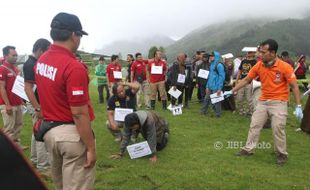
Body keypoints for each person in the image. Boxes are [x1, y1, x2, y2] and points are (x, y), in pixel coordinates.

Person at [34, 12, 96, 189]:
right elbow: (78, 113)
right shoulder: (73, 66)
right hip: (70, 135)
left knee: (60, 185)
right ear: (73, 35)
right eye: (79, 36)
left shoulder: (42, 60)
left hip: (50, 132)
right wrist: (91, 147)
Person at [229, 39, 302, 165]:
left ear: (273, 53)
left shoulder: (285, 67)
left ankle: (281, 154)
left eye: (263, 52)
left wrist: (299, 105)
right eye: (260, 52)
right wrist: (233, 90)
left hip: (279, 102)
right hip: (263, 101)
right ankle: (248, 149)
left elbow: (294, 86)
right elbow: (247, 79)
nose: (259, 55)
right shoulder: (259, 65)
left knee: (277, 128)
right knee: (254, 125)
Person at [23, 38, 51, 173]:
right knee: (41, 132)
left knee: (36, 132)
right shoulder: (31, 64)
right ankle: (43, 166)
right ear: (40, 50)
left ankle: (34, 160)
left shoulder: (33, 62)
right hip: (36, 104)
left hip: (35, 104)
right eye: (46, 51)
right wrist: (38, 107)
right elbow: (28, 88)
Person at [0, 46, 24, 149]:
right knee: (9, 128)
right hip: (8, 104)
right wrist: (7, 104)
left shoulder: (16, 69)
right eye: (13, 55)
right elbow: (1, 87)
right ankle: (7, 150)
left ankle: (16, 147)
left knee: (18, 125)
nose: (16, 57)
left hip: (18, 102)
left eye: (16, 55)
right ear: (5, 56)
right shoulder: (2, 69)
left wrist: (21, 100)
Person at [201, 51, 225, 117]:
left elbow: (222, 77)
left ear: (216, 57)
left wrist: (219, 88)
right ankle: (203, 112)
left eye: (212, 56)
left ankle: (218, 114)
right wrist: (207, 86)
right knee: (206, 99)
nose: (210, 57)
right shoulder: (211, 65)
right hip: (210, 86)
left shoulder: (219, 65)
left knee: (216, 101)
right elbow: (210, 76)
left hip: (216, 87)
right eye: (210, 56)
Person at [235, 50, 257, 116]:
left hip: (249, 82)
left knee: (249, 98)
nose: (248, 53)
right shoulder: (243, 61)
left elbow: (257, 73)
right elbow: (240, 70)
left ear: (253, 53)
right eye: (248, 52)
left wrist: (253, 80)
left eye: (250, 52)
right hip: (242, 81)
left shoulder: (255, 62)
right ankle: (241, 111)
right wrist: (237, 80)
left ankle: (250, 111)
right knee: (239, 97)